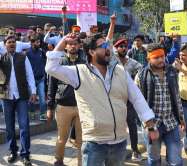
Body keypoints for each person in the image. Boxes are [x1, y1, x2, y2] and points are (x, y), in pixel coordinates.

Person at [45, 14, 159, 166]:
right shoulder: (79, 72)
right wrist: (64, 41)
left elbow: (137, 98)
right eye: (103, 47)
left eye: (108, 46)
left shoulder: (120, 71)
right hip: (94, 144)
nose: (108, 49)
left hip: (119, 143)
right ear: (91, 52)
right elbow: (51, 68)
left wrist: (150, 125)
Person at [135, 43, 184, 166]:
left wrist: (181, 119)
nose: (160, 59)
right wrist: (149, 126)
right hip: (152, 124)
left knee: (176, 160)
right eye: (156, 57)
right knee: (154, 159)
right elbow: (139, 104)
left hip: (171, 123)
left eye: (162, 56)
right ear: (149, 59)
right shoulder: (141, 76)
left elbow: (177, 97)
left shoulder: (172, 72)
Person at [47, 36, 85, 166]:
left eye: (75, 44)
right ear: (65, 46)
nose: (73, 46)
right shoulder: (58, 62)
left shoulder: (85, 62)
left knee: (81, 140)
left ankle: (81, 163)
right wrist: (49, 107)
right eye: (70, 44)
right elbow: (51, 86)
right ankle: (58, 161)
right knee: (61, 138)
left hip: (82, 107)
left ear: (79, 46)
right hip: (63, 106)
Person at [0, 35, 36, 166]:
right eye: (9, 42)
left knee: (24, 126)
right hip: (6, 97)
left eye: (13, 42)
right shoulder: (1, 58)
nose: (12, 44)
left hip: (21, 96)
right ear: (5, 45)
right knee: (9, 127)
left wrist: (33, 91)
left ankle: (25, 154)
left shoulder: (23, 57)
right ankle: (13, 152)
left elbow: (29, 74)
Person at [113, 38, 143, 161]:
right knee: (116, 125)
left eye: (125, 47)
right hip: (115, 99)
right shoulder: (113, 61)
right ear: (117, 48)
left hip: (129, 100)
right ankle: (117, 151)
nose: (123, 48)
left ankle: (135, 150)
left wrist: (135, 79)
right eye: (121, 47)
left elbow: (142, 69)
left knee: (132, 125)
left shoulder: (132, 62)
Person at [26, 34, 47, 121]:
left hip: (41, 79)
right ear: (32, 42)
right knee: (32, 99)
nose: (39, 43)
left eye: (39, 42)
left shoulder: (41, 52)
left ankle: (42, 114)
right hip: (31, 80)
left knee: (42, 98)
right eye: (37, 42)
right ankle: (31, 112)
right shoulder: (27, 53)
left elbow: (45, 62)